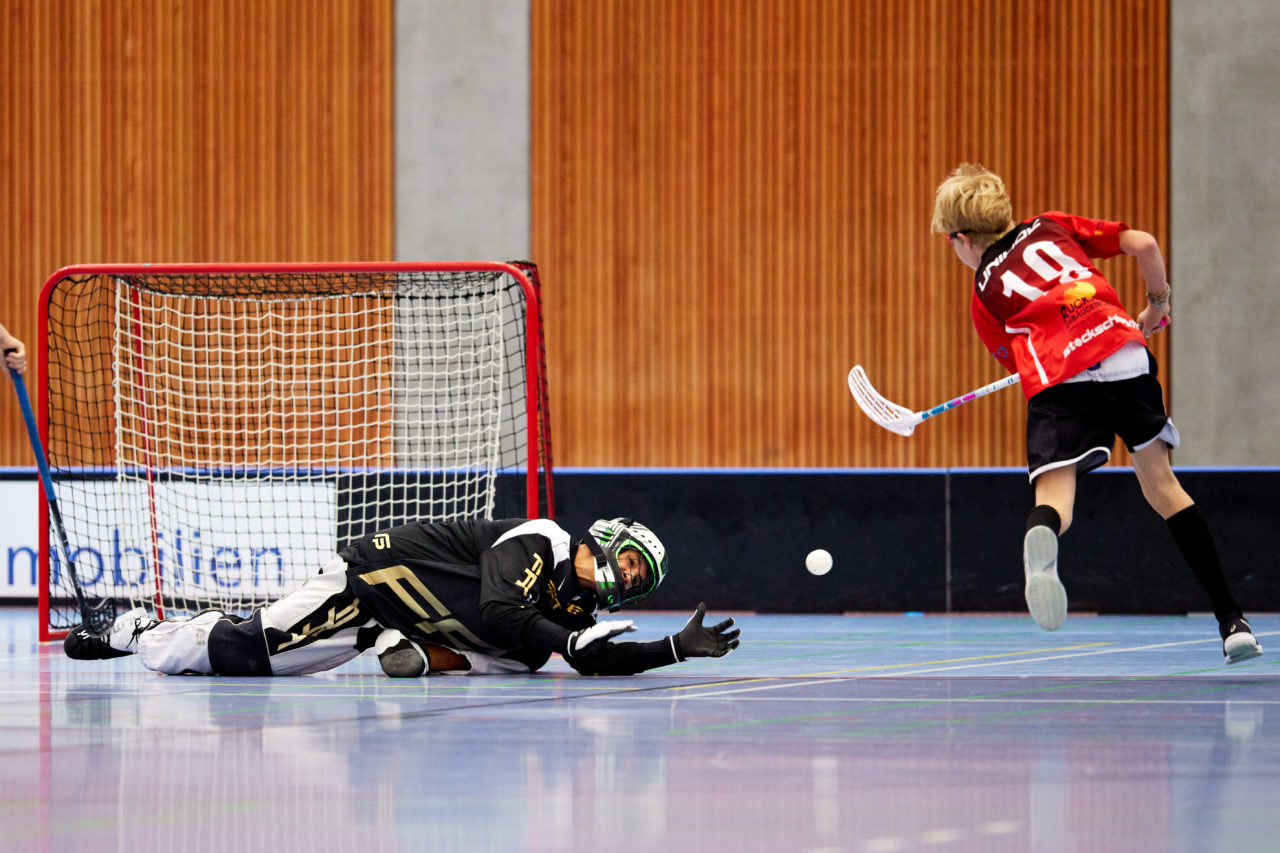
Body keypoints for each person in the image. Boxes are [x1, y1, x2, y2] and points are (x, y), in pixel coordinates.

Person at [931, 163, 1261, 664]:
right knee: (1163, 487)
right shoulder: (1050, 226)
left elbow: (1022, 364)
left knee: (1055, 491)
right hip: (1122, 350)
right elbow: (1145, 244)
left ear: (962, 239)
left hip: (1062, 378)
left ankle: (1043, 532)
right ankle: (1232, 622)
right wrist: (1156, 303)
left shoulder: (983, 294)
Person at [64, 516, 741, 676]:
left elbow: (589, 660)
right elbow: (503, 609)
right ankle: (138, 631)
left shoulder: (576, 610)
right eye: (628, 561)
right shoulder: (544, 539)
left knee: (527, 656)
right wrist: (567, 640)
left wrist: (672, 648)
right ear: (606, 536)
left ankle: (416, 649)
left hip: (400, 615)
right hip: (368, 583)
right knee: (241, 652)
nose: (627, 578)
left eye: (638, 579)